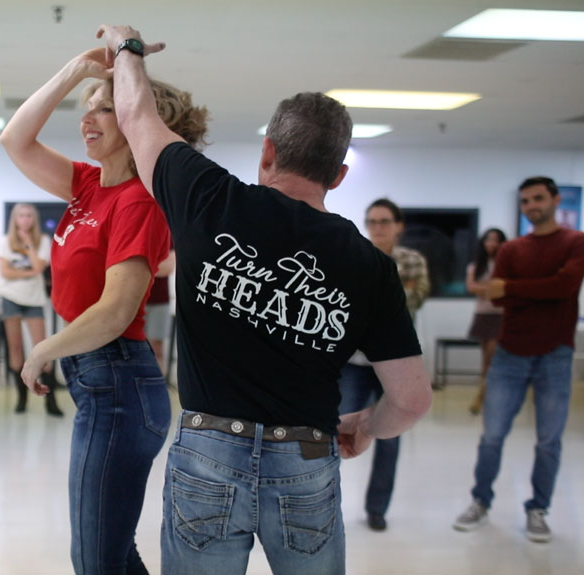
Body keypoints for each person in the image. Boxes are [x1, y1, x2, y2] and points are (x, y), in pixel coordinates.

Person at [97, 24, 433, 575]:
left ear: (268, 151)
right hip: (305, 459)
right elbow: (412, 400)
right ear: (340, 174)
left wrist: (126, 49)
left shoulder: (207, 196)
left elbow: (137, 117)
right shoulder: (371, 266)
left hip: (207, 452)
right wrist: (366, 427)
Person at [0, 45, 207, 574]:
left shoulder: (138, 200)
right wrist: (75, 70)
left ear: (137, 122)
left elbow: (116, 310)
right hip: (101, 379)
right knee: (105, 554)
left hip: (119, 382)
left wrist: (41, 349)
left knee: (96, 557)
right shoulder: (88, 185)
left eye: (104, 108)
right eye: (87, 107)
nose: (87, 119)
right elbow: (14, 139)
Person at [453, 176, 584, 543]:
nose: (531, 205)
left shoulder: (578, 241)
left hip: (555, 355)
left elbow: (564, 287)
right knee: (492, 437)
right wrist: (541, 289)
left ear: (555, 200)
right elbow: (496, 300)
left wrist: (515, 288)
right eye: (526, 200)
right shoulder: (512, 249)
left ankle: (537, 509)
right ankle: (480, 502)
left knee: (549, 440)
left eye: (538, 198)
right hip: (510, 353)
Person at [337, 198, 430, 532]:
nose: (378, 227)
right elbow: (343, 303)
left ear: (398, 225)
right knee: (335, 428)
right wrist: (389, 293)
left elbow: (412, 299)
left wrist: (369, 298)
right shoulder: (353, 255)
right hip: (354, 363)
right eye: (372, 221)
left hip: (395, 365)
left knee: (389, 435)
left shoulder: (413, 261)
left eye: (384, 221)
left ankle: (377, 508)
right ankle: (320, 499)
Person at [0, 202, 63, 416]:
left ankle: (50, 401)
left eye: (29, 216)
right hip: (11, 299)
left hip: (34, 300)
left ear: (34, 219)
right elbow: (5, 273)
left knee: (42, 350)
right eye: (21, 216)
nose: (25, 220)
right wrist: (29, 273)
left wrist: (28, 245)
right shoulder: (5, 242)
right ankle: (22, 399)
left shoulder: (42, 241)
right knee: (15, 349)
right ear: (14, 219)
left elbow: (39, 267)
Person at [465, 228, 507, 414]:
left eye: (496, 240)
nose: (491, 244)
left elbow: (506, 288)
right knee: (486, 358)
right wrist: (491, 289)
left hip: (501, 315)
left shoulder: (506, 264)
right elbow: (471, 287)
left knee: (494, 355)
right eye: (488, 240)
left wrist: (485, 289)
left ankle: (485, 396)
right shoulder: (476, 265)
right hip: (483, 314)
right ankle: (484, 395)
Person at [144, 249, 175, 374]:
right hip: (132, 301)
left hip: (158, 302)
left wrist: (137, 265)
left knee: (156, 348)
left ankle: (158, 384)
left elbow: (168, 267)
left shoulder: (167, 233)